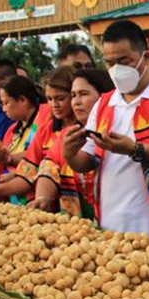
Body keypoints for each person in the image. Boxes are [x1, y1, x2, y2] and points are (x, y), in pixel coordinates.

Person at [63, 20, 149, 245]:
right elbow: (87, 160)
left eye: (124, 61)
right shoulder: (105, 102)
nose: (116, 69)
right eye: (109, 63)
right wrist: (69, 154)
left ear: (145, 57)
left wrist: (135, 149)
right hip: (112, 225)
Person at [0, 69, 73, 204]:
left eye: (60, 98)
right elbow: (27, 174)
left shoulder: (45, 117)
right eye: (49, 99)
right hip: (53, 210)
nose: (54, 105)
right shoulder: (45, 130)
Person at [32, 69, 113, 218]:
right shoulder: (68, 135)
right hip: (78, 226)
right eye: (73, 95)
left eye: (83, 94)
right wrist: (42, 198)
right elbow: (49, 166)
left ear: (105, 97)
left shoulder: (117, 131)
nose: (76, 102)